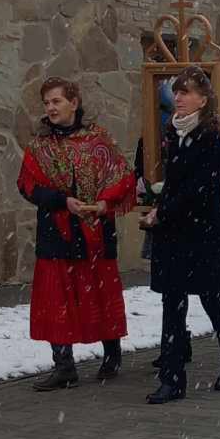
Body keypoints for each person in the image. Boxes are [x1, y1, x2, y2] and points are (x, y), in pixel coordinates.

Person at [17, 78, 136, 391]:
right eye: (47, 103)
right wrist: (61, 201)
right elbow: (27, 185)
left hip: (95, 229)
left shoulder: (97, 140)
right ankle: (64, 365)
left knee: (100, 291)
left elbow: (121, 175)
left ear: (74, 103)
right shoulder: (40, 145)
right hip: (57, 231)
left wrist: (102, 202)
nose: (51, 108)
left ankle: (111, 355)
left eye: (56, 101)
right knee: (56, 295)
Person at [142, 67, 220, 404]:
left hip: (203, 233)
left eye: (186, 92)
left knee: (209, 298)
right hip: (174, 234)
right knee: (172, 302)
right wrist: (159, 207)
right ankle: (172, 378)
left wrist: (165, 210)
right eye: (177, 92)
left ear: (203, 99)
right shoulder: (174, 134)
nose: (179, 98)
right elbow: (174, 184)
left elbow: (201, 189)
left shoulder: (211, 138)